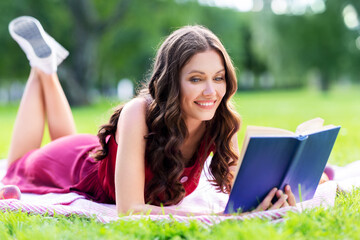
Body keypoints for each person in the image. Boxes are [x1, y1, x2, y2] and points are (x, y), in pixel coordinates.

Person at [2, 16, 296, 215]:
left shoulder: (215, 120)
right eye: (196, 79)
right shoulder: (137, 112)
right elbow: (130, 210)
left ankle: (47, 66)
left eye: (218, 78)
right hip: (68, 165)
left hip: (90, 153)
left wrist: (275, 198)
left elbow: (241, 193)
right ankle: (40, 66)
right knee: (16, 166)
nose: (211, 91)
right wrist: (223, 221)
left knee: (64, 139)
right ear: (171, 81)